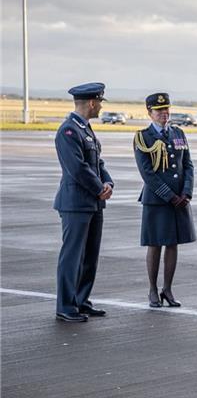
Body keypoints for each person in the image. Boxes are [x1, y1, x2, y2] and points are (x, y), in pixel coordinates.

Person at [53, 82, 114, 323]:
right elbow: (77, 168)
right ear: (91, 103)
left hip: (92, 203)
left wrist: (108, 182)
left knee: (89, 256)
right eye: (99, 102)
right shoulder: (69, 131)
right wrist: (99, 189)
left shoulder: (85, 129)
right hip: (76, 203)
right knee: (72, 256)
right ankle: (66, 306)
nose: (100, 107)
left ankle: (81, 300)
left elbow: (98, 163)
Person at [133, 92, 196, 307]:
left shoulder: (178, 133)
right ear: (149, 112)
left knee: (172, 243)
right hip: (158, 199)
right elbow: (147, 173)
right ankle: (152, 290)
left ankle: (167, 289)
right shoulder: (143, 137)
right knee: (155, 244)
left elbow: (187, 165)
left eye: (166, 109)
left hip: (180, 198)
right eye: (159, 110)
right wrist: (170, 196)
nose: (164, 113)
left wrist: (186, 192)